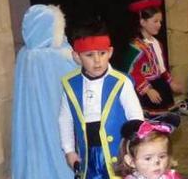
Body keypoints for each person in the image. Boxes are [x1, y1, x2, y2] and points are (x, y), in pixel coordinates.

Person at [60, 22, 144, 179]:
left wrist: (135, 149)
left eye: (102, 53)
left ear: (110, 52)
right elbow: (65, 120)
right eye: (89, 55)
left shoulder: (121, 82)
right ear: (76, 56)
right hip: (88, 157)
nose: (97, 61)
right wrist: (69, 151)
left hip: (119, 154)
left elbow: (136, 118)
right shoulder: (70, 85)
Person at [11, 4, 78, 179]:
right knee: (56, 150)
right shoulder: (57, 55)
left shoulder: (25, 54)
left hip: (32, 122)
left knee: (35, 150)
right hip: (55, 118)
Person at [119, 0, 181, 115]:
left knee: (166, 122)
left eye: (160, 21)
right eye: (155, 21)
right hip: (146, 91)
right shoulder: (135, 47)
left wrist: (171, 82)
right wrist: (148, 90)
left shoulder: (157, 43)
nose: (159, 25)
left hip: (160, 87)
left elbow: (161, 68)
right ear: (143, 22)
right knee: (152, 124)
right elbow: (131, 72)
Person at [116, 115, 183, 179]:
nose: (157, 161)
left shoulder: (172, 177)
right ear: (131, 161)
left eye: (162, 156)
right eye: (148, 158)